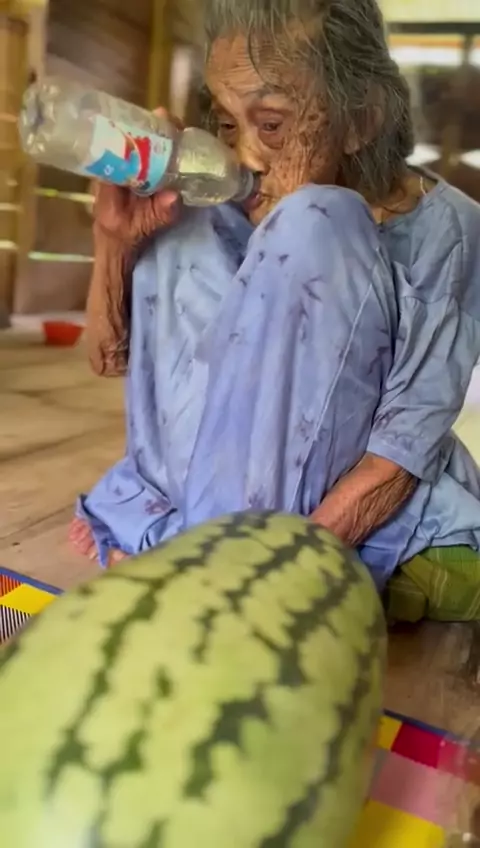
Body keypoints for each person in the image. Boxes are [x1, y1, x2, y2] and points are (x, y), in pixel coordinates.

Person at [71, 0, 480, 623]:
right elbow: (109, 358)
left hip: (326, 503)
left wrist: (251, 578)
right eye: (226, 123)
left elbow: (396, 461)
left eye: (270, 123)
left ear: (361, 119)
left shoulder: (449, 229)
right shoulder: (222, 201)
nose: (245, 156)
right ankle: (194, 540)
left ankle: (195, 549)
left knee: (318, 218)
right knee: (189, 213)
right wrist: (115, 240)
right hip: (210, 498)